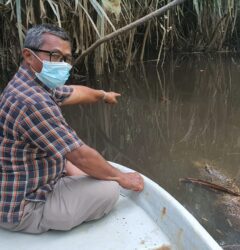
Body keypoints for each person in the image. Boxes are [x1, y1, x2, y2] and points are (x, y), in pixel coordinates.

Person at [0, 24, 144, 234]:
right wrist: (122, 178)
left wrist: (103, 95)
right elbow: (81, 155)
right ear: (28, 56)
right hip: (23, 207)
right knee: (109, 189)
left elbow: (74, 92)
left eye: (65, 58)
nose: (63, 65)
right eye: (55, 56)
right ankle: (40, 220)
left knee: (75, 163)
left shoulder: (28, 83)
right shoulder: (33, 102)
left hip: (24, 182)